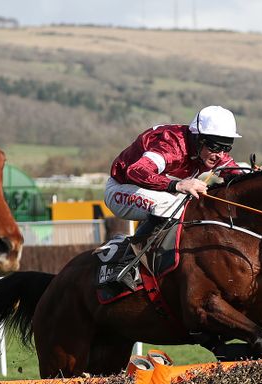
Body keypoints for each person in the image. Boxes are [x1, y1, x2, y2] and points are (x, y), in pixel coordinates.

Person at [101, 105, 246, 287]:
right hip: (122, 189)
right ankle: (124, 264)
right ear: (198, 138)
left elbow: (236, 175)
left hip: (154, 193)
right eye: (215, 147)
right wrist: (176, 185)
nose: (220, 155)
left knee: (192, 206)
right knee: (169, 205)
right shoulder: (171, 145)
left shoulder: (213, 152)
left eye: (226, 147)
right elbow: (136, 171)